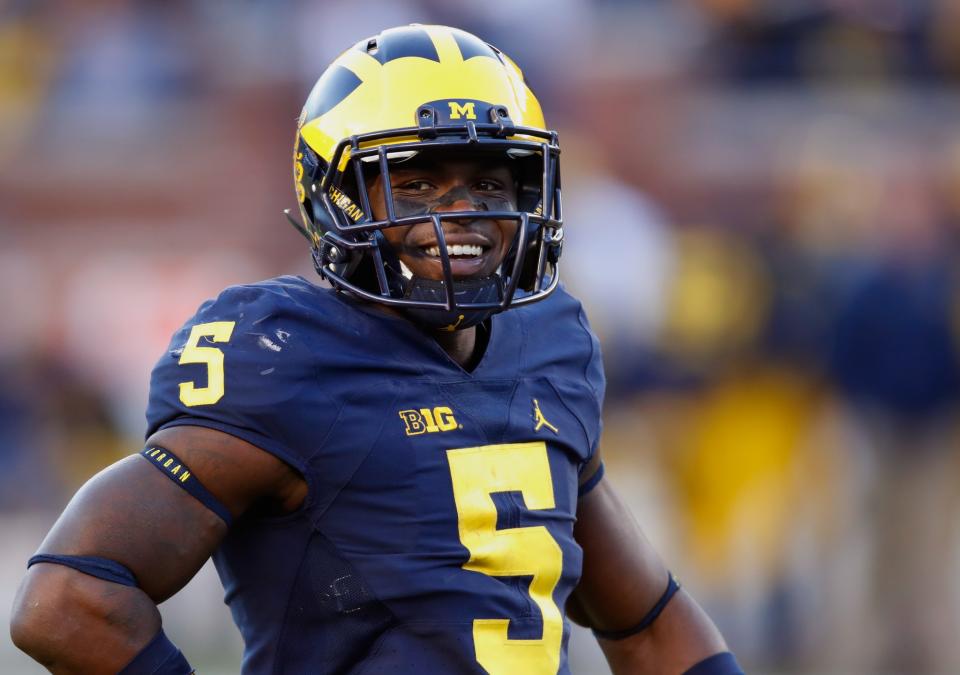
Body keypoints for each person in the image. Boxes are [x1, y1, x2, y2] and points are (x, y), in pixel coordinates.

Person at [10, 24, 743, 675]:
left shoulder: (549, 342)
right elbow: (68, 600)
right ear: (336, 197)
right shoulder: (283, 356)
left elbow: (646, 623)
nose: (463, 214)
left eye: (489, 181)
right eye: (417, 183)